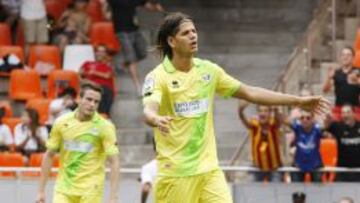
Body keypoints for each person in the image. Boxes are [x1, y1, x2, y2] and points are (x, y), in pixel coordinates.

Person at [142, 12, 330, 203]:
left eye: (194, 31)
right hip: (176, 176)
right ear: (172, 41)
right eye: (186, 33)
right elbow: (149, 110)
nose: (193, 36)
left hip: (209, 172)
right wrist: (156, 118)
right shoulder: (158, 77)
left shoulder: (208, 71)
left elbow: (251, 93)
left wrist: (298, 101)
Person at [36, 82, 120, 203]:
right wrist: (41, 191)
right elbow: (49, 155)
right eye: (89, 99)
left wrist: (113, 197)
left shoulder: (105, 127)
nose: (92, 104)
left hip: (91, 190)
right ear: (78, 99)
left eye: (96, 102)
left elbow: (114, 161)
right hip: (64, 189)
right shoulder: (61, 122)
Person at [107, 0, 164, 95]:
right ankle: (138, 86)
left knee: (143, 53)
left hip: (135, 30)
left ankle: (123, 65)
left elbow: (147, 5)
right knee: (131, 58)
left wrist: (156, 8)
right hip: (121, 32)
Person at [238, 101, 283, 182]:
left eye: (265, 111)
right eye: (260, 111)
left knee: (276, 192)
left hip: (274, 167)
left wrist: (276, 110)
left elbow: (279, 120)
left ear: (270, 113)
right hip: (257, 167)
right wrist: (240, 111)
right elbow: (245, 122)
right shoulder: (254, 124)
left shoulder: (273, 124)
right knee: (253, 191)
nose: (263, 113)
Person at [324, 105, 360, 182]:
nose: (345, 115)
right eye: (343, 113)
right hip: (342, 170)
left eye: (348, 112)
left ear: (354, 114)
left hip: (358, 170)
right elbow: (324, 128)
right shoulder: (338, 126)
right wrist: (327, 117)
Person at [285, 110, 323, 182]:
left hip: (315, 165)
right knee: (296, 190)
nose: (305, 120)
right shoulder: (297, 128)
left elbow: (327, 124)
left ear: (312, 119)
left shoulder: (317, 129)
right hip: (299, 164)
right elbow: (285, 120)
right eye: (302, 118)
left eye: (308, 118)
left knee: (318, 191)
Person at [80, 45, 115, 115]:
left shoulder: (108, 65)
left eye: (102, 51)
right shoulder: (87, 63)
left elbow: (107, 76)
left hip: (104, 88)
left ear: (105, 54)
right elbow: (79, 75)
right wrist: (89, 82)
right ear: (95, 52)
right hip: (89, 86)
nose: (100, 53)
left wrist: (94, 72)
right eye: (98, 51)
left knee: (104, 92)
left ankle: (103, 115)